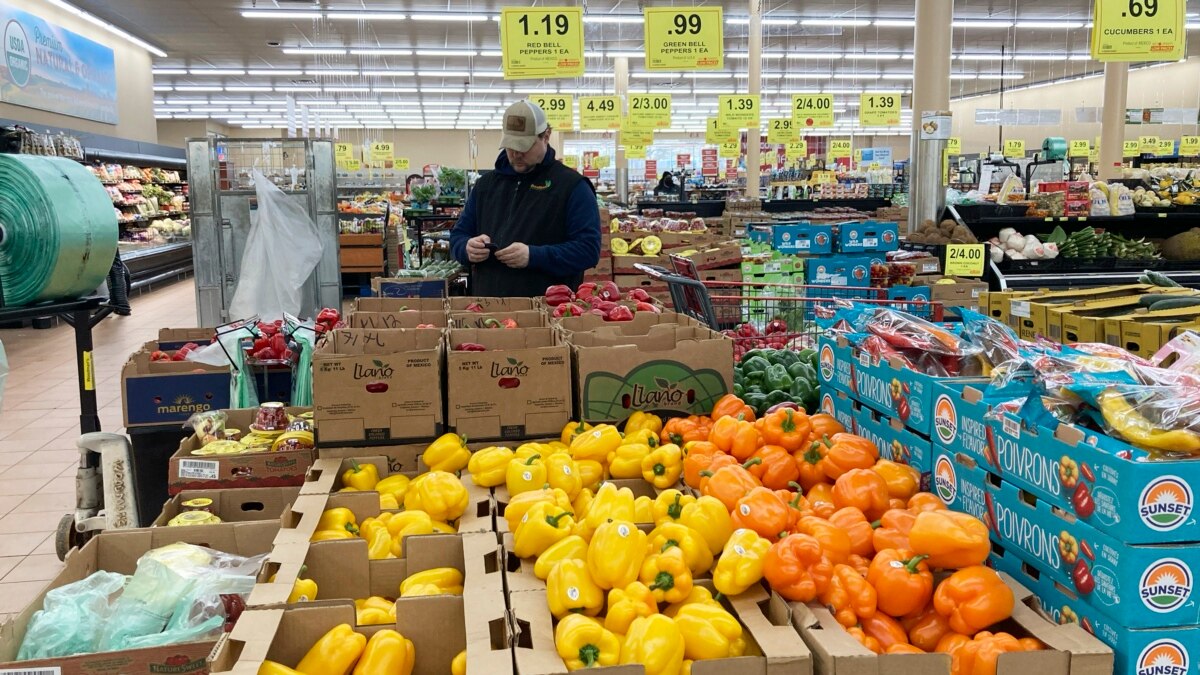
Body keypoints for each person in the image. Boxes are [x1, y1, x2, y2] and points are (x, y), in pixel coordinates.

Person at [450, 100, 601, 297]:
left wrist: (533, 256)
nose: (516, 154)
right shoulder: (485, 186)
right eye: (511, 146)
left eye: (525, 146)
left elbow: (588, 250)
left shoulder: (572, 186)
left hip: (548, 312)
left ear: (546, 136)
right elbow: (458, 236)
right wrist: (466, 248)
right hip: (487, 310)